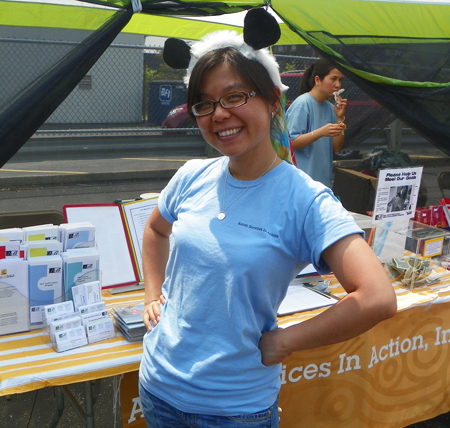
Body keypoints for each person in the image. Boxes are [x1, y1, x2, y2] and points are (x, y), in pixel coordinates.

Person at [138, 27, 397, 428]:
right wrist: (152, 294)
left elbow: (377, 297)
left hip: (234, 409)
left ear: (273, 98)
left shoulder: (305, 199)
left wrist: (287, 340)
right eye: (204, 104)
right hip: (158, 389)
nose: (219, 113)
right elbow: (156, 231)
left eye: (235, 96)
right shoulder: (192, 176)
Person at [286, 59, 347, 187]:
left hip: (322, 184)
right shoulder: (302, 104)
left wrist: (339, 118)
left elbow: (337, 147)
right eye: (333, 79)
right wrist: (321, 132)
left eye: (340, 80)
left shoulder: (331, 108)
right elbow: (290, 143)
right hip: (301, 185)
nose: (338, 85)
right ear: (317, 80)